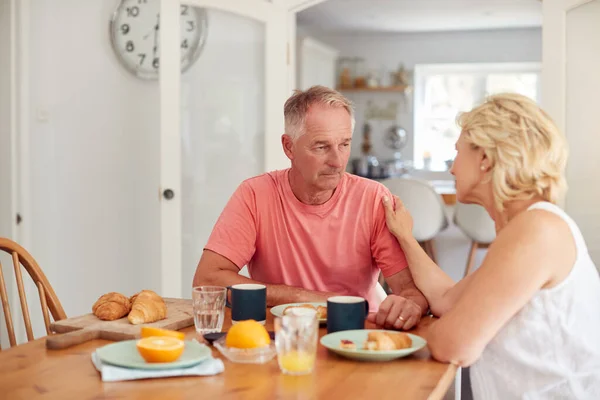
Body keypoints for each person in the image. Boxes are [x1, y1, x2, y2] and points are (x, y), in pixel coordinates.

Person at [372, 93, 600, 398]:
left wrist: (441, 324)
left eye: (457, 153)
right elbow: (447, 299)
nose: (452, 168)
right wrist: (405, 236)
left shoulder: (536, 231)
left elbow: (453, 345)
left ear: (485, 160)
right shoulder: (527, 228)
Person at [193, 85, 427, 328]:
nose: (337, 161)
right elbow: (208, 279)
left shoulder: (374, 198)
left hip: (355, 334)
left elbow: (411, 291)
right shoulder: (254, 195)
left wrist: (409, 305)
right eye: (321, 147)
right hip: (281, 334)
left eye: (344, 144)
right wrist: (303, 298)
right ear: (289, 147)